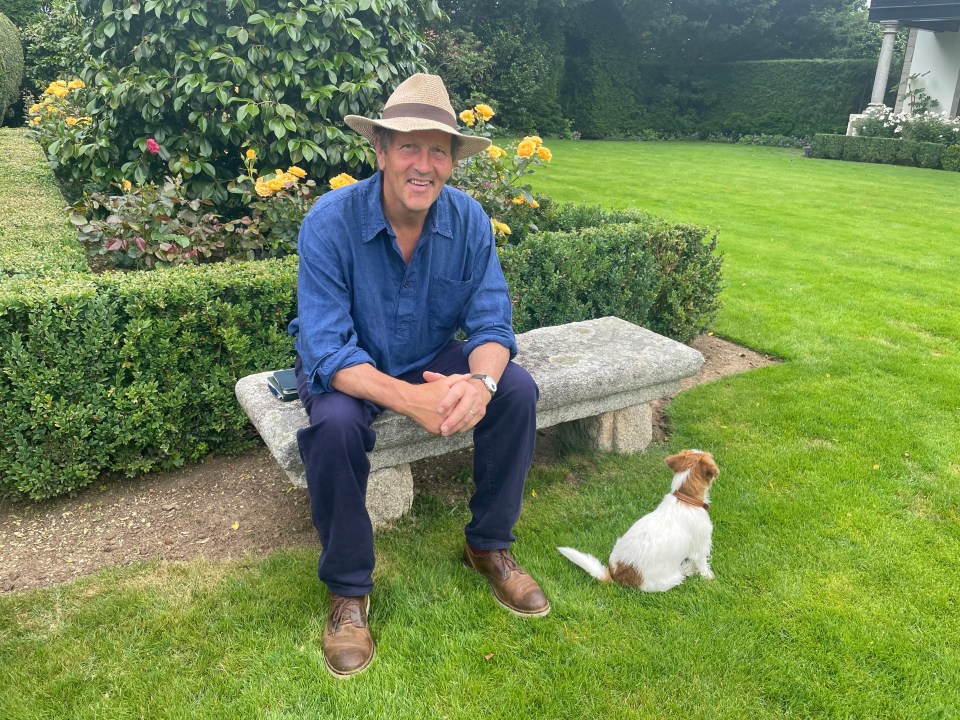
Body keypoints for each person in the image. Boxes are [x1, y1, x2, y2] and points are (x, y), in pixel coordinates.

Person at [288, 73, 550, 678]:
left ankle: (488, 545)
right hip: (351, 364)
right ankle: (348, 592)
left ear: (453, 162)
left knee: (515, 389)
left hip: (429, 351)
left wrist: (478, 387)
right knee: (332, 428)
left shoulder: (470, 221)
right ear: (379, 150)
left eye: (439, 149)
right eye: (408, 145)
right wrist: (415, 401)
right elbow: (327, 349)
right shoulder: (329, 222)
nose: (423, 164)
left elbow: (491, 327)